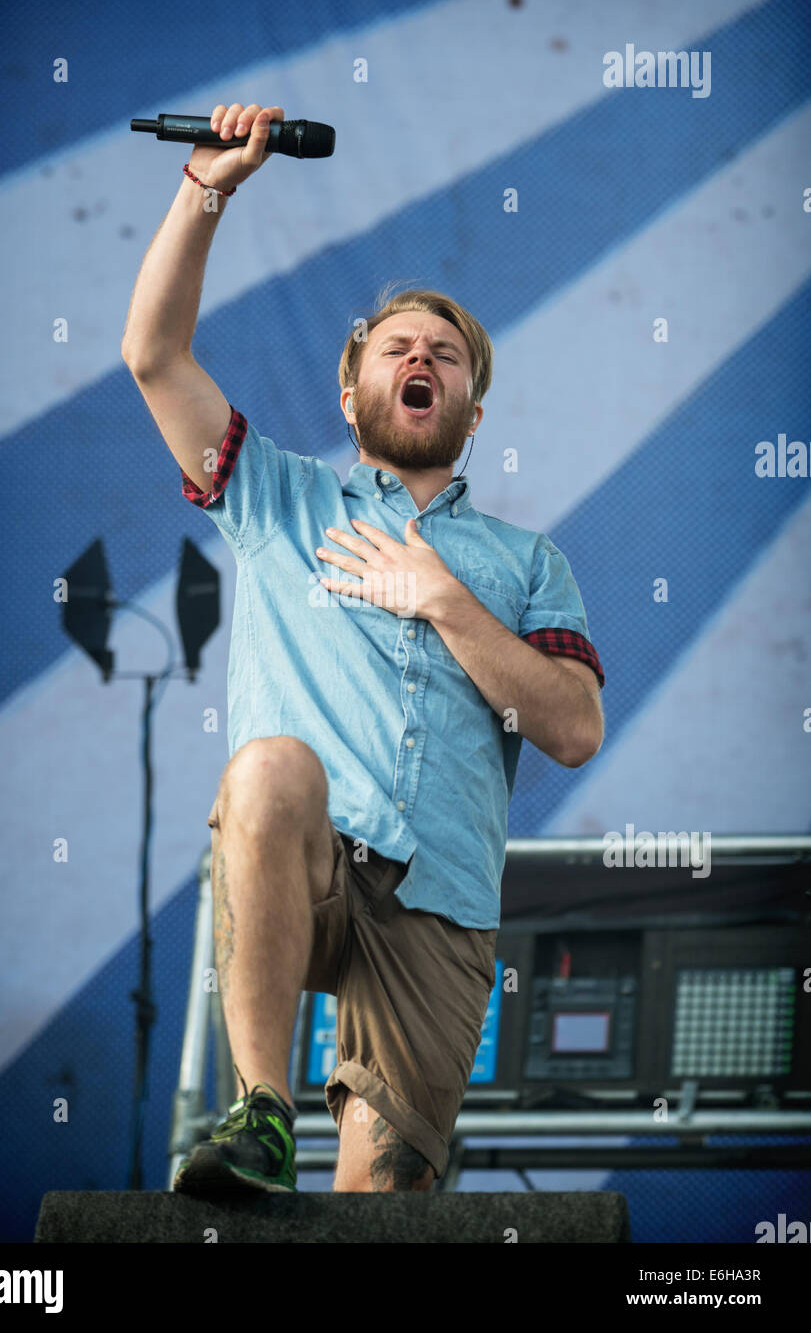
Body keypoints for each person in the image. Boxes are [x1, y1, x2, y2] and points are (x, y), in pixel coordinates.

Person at [122, 102, 606, 1196]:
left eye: (444, 354)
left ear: (470, 411)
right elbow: (152, 355)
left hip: (442, 900)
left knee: (381, 1213)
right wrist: (209, 184)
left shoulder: (528, 563)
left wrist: (442, 601)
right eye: (396, 348)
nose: (420, 357)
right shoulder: (279, 497)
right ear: (352, 393)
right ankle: (258, 1112)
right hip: (310, 862)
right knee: (269, 768)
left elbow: (571, 728)